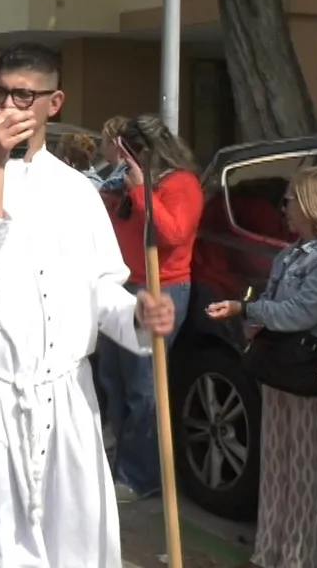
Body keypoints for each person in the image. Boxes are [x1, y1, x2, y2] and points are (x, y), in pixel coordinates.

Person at [0, 44, 177, 568]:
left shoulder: (78, 192)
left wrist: (137, 315)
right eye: (0, 92)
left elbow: (101, 288)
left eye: (23, 95)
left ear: (52, 103)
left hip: (66, 402)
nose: (9, 106)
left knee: (72, 541)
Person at [205, 164, 317, 568]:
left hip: (316, 375)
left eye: (290, 199)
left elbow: (298, 313)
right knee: (275, 466)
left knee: (308, 476)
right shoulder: (292, 252)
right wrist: (257, 318)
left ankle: (297, 560)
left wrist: (248, 309)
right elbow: (275, 303)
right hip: (280, 369)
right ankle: (265, 554)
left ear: (313, 204)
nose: (284, 206)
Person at [100, 114, 204, 502]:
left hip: (162, 287)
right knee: (113, 377)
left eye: (129, 153)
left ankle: (142, 475)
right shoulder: (126, 181)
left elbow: (173, 233)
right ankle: (120, 463)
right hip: (123, 285)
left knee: (145, 385)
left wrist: (141, 192)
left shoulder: (182, 184)